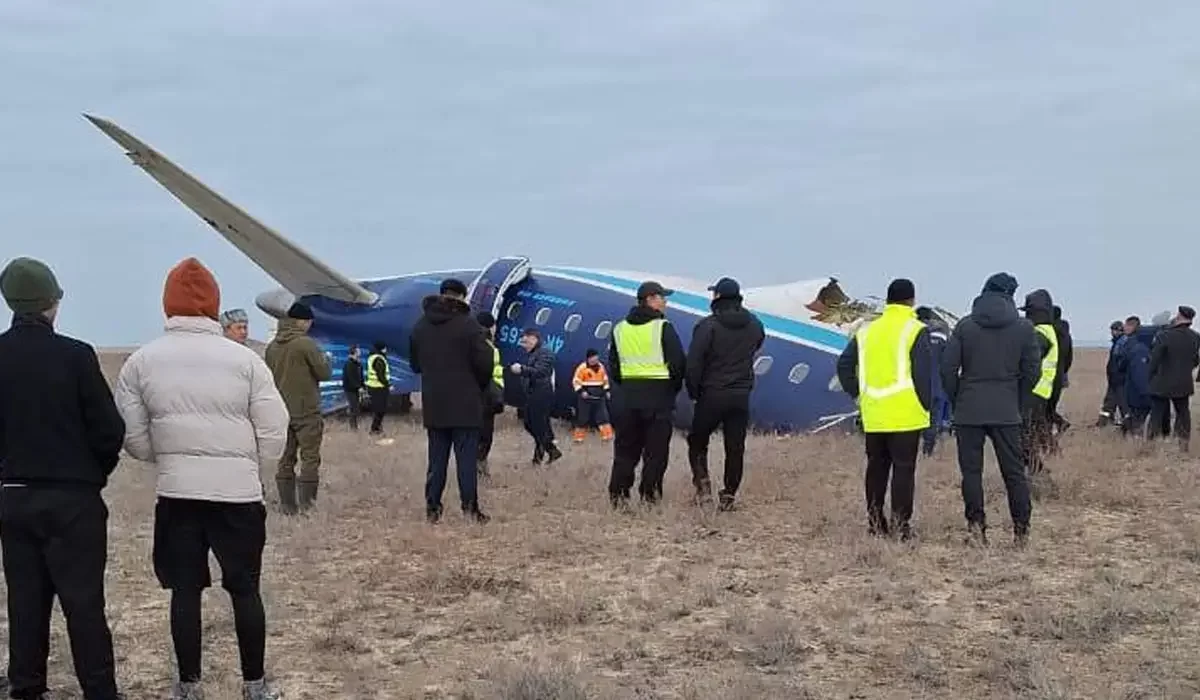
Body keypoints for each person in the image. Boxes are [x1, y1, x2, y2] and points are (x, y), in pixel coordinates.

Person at [113, 258, 288, 700]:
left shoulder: (141, 362)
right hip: (239, 495)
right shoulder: (247, 362)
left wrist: (169, 459)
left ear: (167, 305)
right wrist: (251, 466)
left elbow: (132, 437)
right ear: (215, 305)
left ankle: (188, 686)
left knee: (185, 592)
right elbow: (274, 427)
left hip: (178, 493)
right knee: (246, 589)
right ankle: (255, 685)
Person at [0, 257, 127, 700]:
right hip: (74, 501)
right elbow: (110, 431)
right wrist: (93, 476)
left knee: (25, 606)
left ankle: (26, 689)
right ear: (51, 303)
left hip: (13, 499)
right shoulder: (75, 356)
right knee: (84, 605)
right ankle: (99, 691)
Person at [940, 272, 1037, 547]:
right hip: (1006, 409)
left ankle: (976, 529)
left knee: (971, 473)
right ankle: (1021, 531)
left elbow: (948, 369)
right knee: (1014, 473)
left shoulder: (965, 326)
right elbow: (1032, 371)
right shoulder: (1024, 328)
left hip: (969, 408)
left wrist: (958, 397)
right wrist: (1017, 399)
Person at [836, 278, 931, 540]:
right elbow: (923, 375)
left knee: (876, 468)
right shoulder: (916, 330)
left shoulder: (866, 332)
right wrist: (926, 405)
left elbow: (844, 366)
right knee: (903, 470)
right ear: (912, 300)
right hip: (906, 414)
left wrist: (859, 394)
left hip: (874, 412)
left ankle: (875, 524)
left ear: (887, 300)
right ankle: (901, 527)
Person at [409, 278, 494, 523]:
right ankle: (470, 509)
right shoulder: (469, 326)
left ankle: (432, 509)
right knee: (466, 460)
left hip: (435, 402)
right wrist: (476, 385)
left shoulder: (420, 326)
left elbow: (415, 364)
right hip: (466, 403)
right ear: (461, 297)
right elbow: (485, 363)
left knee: (436, 459)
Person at [685, 277, 765, 511]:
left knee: (698, 441)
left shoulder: (707, 326)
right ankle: (729, 495)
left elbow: (694, 363)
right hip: (740, 395)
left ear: (717, 297)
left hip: (712, 393)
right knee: (735, 447)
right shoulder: (754, 324)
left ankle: (703, 487)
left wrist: (693, 391)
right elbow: (757, 344)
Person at [608, 281, 687, 506]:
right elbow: (678, 363)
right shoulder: (663, 327)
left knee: (625, 451)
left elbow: (613, 365)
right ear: (651, 299)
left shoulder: (619, 329)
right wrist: (672, 389)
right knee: (655, 452)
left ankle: (618, 496)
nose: (666, 302)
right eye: (663, 297)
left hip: (627, 398)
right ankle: (649, 497)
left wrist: (627, 385)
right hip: (658, 399)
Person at [263, 302, 331, 514]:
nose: (310, 326)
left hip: (281, 411)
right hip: (306, 410)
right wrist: (326, 360)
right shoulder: (305, 344)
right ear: (301, 321)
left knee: (286, 458)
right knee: (310, 458)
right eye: (309, 321)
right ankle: (307, 506)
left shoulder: (272, 347)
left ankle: (287, 506)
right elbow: (324, 373)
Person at [1147, 305, 1200, 451]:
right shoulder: (1195, 337)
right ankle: (1183, 444)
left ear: (1179, 317)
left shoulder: (1164, 335)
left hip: (1162, 381)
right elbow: (1196, 360)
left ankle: (1150, 444)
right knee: (1183, 413)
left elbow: (1154, 359)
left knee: (1157, 413)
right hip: (1183, 382)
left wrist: (1150, 376)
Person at [1019, 289, 1059, 476]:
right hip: (1040, 393)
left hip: (1033, 392)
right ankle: (1048, 466)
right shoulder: (1048, 331)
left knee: (1025, 439)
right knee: (1037, 434)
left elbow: (1025, 361)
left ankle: (1040, 476)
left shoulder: (1040, 334)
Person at [512, 328, 562, 464]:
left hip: (541, 394)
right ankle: (541, 454)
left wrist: (522, 369)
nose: (524, 346)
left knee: (536, 424)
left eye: (526, 342)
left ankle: (551, 450)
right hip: (534, 393)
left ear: (534, 339)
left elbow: (541, 372)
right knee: (531, 424)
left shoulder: (545, 353)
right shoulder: (536, 353)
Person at [915, 306, 952, 456]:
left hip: (915, 386)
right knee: (933, 420)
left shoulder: (914, 334)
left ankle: (914, 451)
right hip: (936, 386)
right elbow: (949, 363)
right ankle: (927, 452)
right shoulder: (942, 338)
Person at [476, 312, 505, 476]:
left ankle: (475, 466)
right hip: (486, 397)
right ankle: (479, 466)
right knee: (484, 435)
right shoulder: (489, 348)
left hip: (475, 397)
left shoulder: (468, 343)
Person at [571, 349, 613, 444]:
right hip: (585, 398)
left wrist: (607, 391)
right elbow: (576, 381)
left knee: (603, 417)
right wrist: (581, 391)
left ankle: (607, 436)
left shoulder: (601, 366)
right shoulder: (582, 368)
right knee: (583, 418)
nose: (595, 360)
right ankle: (578, 438)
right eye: (593, 358)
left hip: (599, 397)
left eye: (596, 358)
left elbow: (605, 380)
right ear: (588, 358)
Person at [1120, 316, 1153, 437]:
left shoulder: (1135, 347)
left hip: (1136, 391)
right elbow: (1138, 374)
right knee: (1137, 418)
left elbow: (1136, 371)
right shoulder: (1139, 349)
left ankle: (1135, 439)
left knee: (1137, 417)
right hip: (1137, 392)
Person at [1046, 304, 1073, 437]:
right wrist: (1064, 371)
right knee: (1050, 406)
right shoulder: (1066, 333)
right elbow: (1069, 356)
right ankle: (1056, 425)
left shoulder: (1051, 332)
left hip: (1049, 374)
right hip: (1061, 372)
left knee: (1045, 407)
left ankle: (1056, 426)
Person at [1098, 320, 1128, 427]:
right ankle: (1103, 423)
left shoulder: (1122, 342)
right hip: (1114, 379)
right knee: (1109, 403)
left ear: (1119, 330)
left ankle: (1128, 426)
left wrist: (1117, 376)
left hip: (1119, 380)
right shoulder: (1117, 342)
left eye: (1114, 330)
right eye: (1112, 330)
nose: (1112, 332)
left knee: (1123, 404)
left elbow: (1118, 363)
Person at [364, 342, 390, 436]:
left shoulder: (372, 357)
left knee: (379, 409)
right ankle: (374, 429)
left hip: (373, 386)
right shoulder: (379, 359)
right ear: (382, 349)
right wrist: (388, 385)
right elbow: (381, 375)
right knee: (381, 409)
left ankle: (377, 427)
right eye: (385, 348)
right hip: (379, 387)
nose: (386, 350)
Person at [341, 345, 365, 431]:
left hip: (356, 388)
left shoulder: (358, 363)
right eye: (358, 350)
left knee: (356, 406)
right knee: (354, 406)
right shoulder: (349, 364)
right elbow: (351, 377)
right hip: (350, 389)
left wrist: (362, 386)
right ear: (354, 352)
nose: (360, 352)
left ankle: (354, 424)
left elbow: (360, 376)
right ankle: (353, 426)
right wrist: (358, 387)